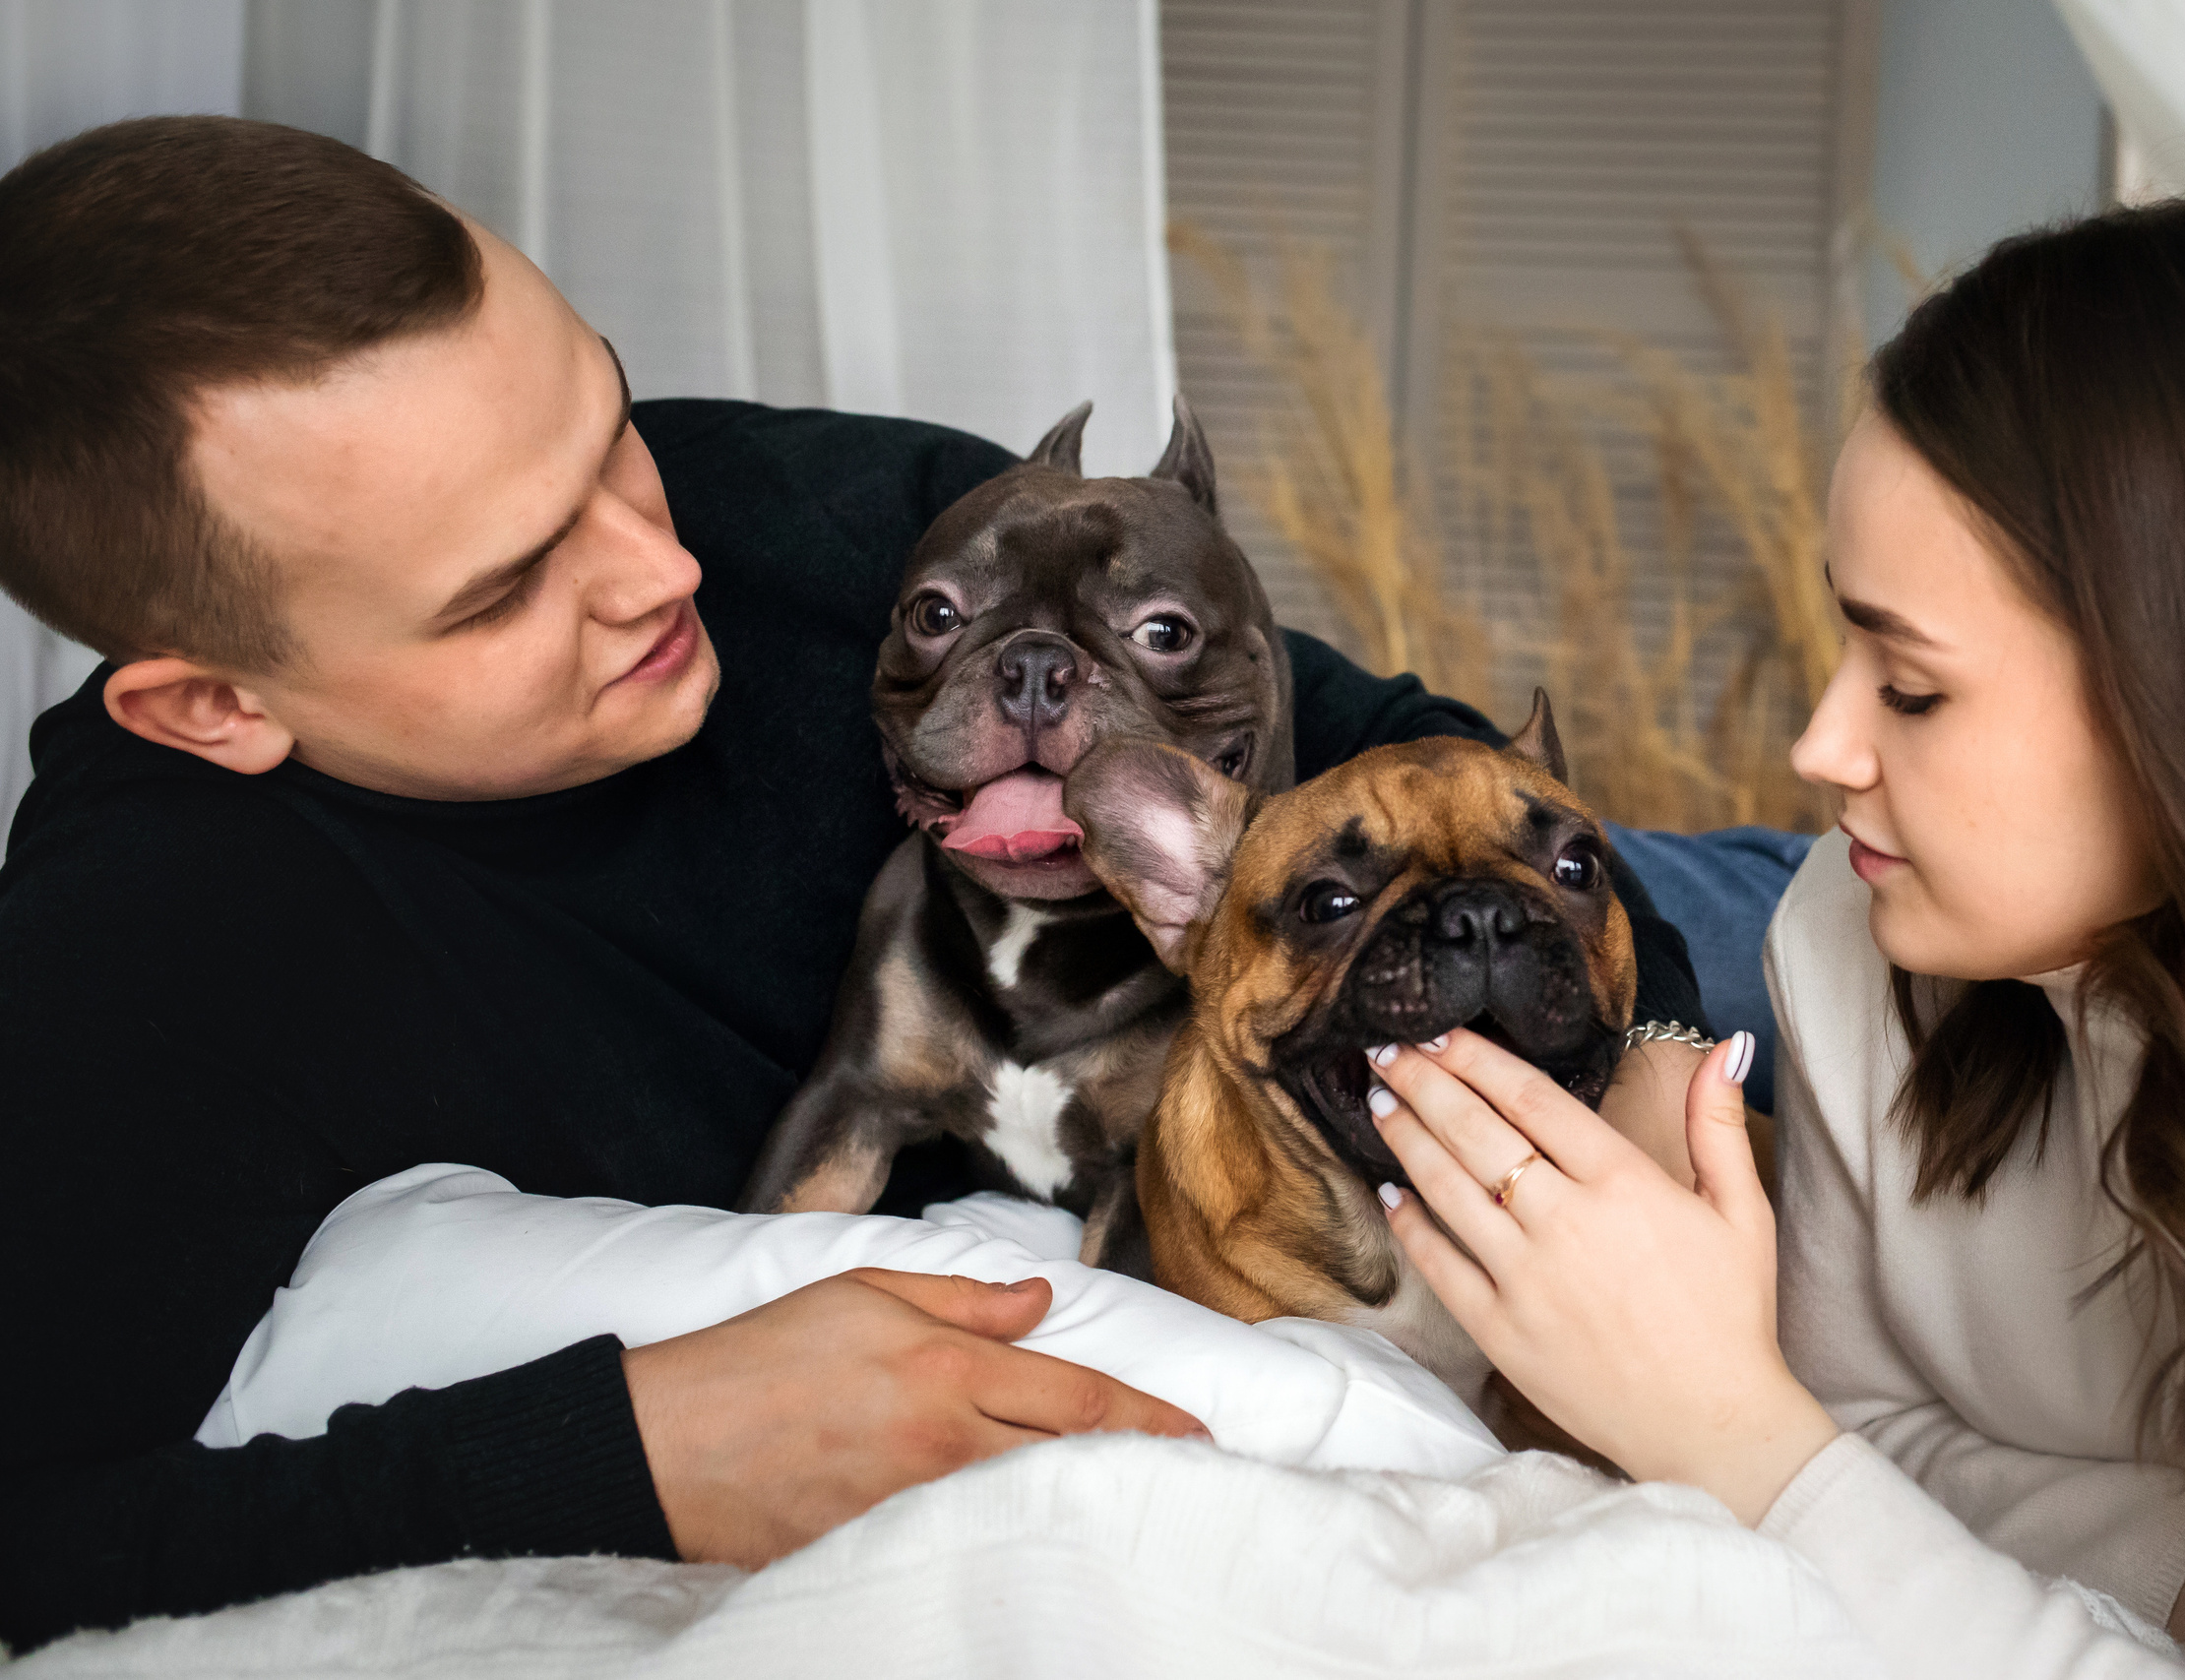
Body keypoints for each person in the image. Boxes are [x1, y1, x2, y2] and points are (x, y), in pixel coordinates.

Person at [0, 117, 1707, 1651]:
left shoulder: (833, 523)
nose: (663, 564)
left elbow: (1434, 772)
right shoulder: (139, 949)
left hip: (1554, 923)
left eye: (606, 425)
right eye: (509, 585)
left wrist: (1648, 1082)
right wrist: (631, 1451)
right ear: (214, 703)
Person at [1366, 199, 2185, 1677]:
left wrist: (1730, 1432)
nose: (1820, 744)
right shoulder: (1850, 933)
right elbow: (1872, 1427)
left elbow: (1813, 1444)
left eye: (1910, 689)